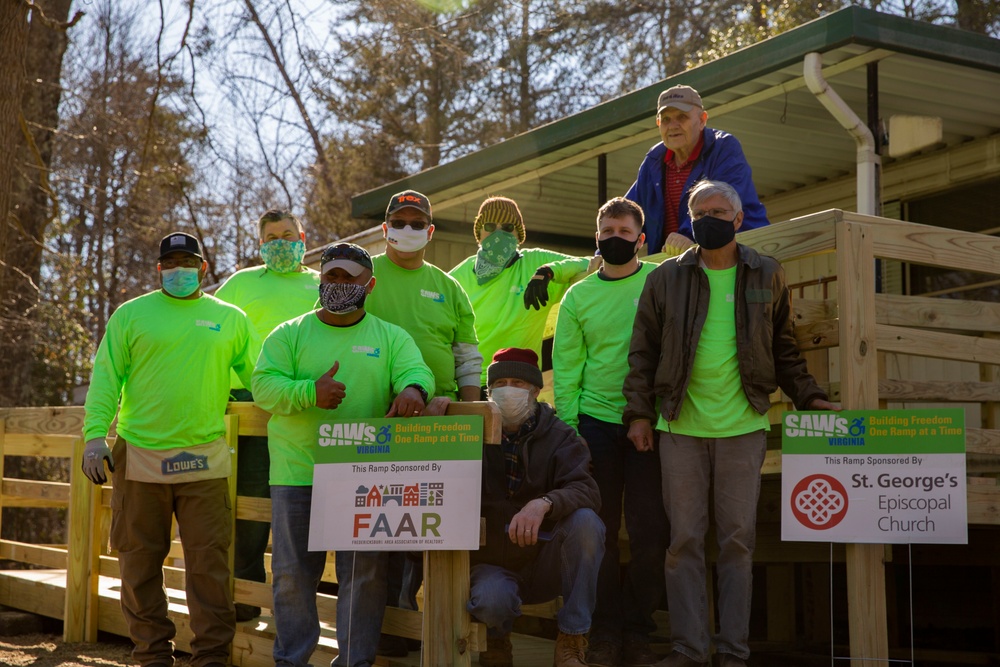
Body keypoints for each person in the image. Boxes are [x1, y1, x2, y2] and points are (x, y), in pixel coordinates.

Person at [622, 181, 839, 667]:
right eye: (699, 212)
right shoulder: (665, 278)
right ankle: (689, 648)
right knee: (683, 542)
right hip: (680, 427)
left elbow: (784, 349)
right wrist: (638, 414)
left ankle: (734, 652)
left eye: (718, 211)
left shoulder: (766, 272)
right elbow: (643, 353)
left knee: (738, 540)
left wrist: (812, 396)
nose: (708, 219)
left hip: (744, 426)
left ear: (739, 220)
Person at [251, 242, 434, 667]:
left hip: (364, 476)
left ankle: (355, 662)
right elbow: (263, 386)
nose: (337, 284)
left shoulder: (389, 336)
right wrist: (308, 392)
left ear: (368, 285)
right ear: (320, 279)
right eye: (330, 275)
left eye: (348, 277)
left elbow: (416, 369)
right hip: (298, 473)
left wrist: (413, 389)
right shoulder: (289, 333)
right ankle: (292, 660)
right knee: (293, 577)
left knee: (365, 578)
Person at [82, 231, 257, 667]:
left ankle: (212, 658)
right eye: (171, 262)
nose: (180, 269)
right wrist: (93, 436)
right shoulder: (131, 315)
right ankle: (152, 656)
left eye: (188, 262)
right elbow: (107, 377)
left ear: (204, 268)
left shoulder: (231, 319)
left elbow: (259, 376)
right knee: (138, 566)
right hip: (140, 455)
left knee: (210, 567)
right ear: (159, 268)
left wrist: (298, 398)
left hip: (204, 459)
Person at [364, 189, 483, 654]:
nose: (408, 230)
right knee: (376, 527)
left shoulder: (449, 286)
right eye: (401, 221)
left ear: (430, 232)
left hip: (440, 421)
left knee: (423, 529)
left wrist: (470, 413)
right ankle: (379, 626)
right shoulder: (364, 274)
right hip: (377, 424)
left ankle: (410, 620)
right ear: (385, 228)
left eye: (418, 223)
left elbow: (468, 355)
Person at [552, 197, 667, 667]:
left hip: (651, 422)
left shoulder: (660, 279)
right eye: (608, 231)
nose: (615, 238)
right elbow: (566, 370)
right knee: (597, 530)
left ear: (641, 239)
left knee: (650, 530)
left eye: (625, 231)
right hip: (594, 426)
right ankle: (603, 629)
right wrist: (572, 433)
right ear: (596, 237)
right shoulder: (577, 296)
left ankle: (639, 629)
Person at [214, 208, 321, 622]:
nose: (281, 242)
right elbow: (215, 338)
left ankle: (300, 603)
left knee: (306, 502)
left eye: (287, 234)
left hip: (309, 404)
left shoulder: (322, 283)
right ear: (261, 245)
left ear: (303, 237)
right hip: (252, 408)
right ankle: (245, 594)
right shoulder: (241, 284)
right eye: (272, 236)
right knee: (252, 499)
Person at [468, 348, 605, 667]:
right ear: (489, 391)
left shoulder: (560, 436)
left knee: (587, 523)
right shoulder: (469, 430)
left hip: (545, 561)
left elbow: (586, 489)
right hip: (490, 565)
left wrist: (544, 503)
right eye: (500, 382)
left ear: (535, 389)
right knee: (491, 600)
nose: (508, 390)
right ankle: (496, 640)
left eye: (517, 382)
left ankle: (572, 640)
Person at [449, 196, 595, 390]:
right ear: (479, 233)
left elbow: (591, 264)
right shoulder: (457, 277)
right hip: (471, 383)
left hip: (522, 381)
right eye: (490, 226)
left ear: (519, 235)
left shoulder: (535, 261)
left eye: (508, 227)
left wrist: (549, 271)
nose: (499, 233)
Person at [625, 84, 769, 256]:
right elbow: (627, 214)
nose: (673, 125)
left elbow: (721, 202)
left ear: (702, 120)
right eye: (666, 119)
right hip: (682, 266)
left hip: (744, 259)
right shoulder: (653, 161)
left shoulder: (724, 147)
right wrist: (605, 252)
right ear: (658, 123)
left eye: (682, 117)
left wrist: (688, 236)